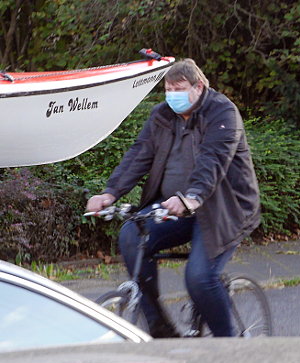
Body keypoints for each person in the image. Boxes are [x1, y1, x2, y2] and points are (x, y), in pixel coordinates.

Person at [86, 59, 261, 337]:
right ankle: (160, 326)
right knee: (132, 235)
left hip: (223, 210)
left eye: (178, 88)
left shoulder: (222, 113)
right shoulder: (162, 116)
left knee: (200, 278)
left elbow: (212, 161)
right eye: (168, 88)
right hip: (174, 208)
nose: (172, 95)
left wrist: (191, 197)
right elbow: (139, 155)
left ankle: (229, 345)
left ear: (198, 86)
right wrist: (110, 192)